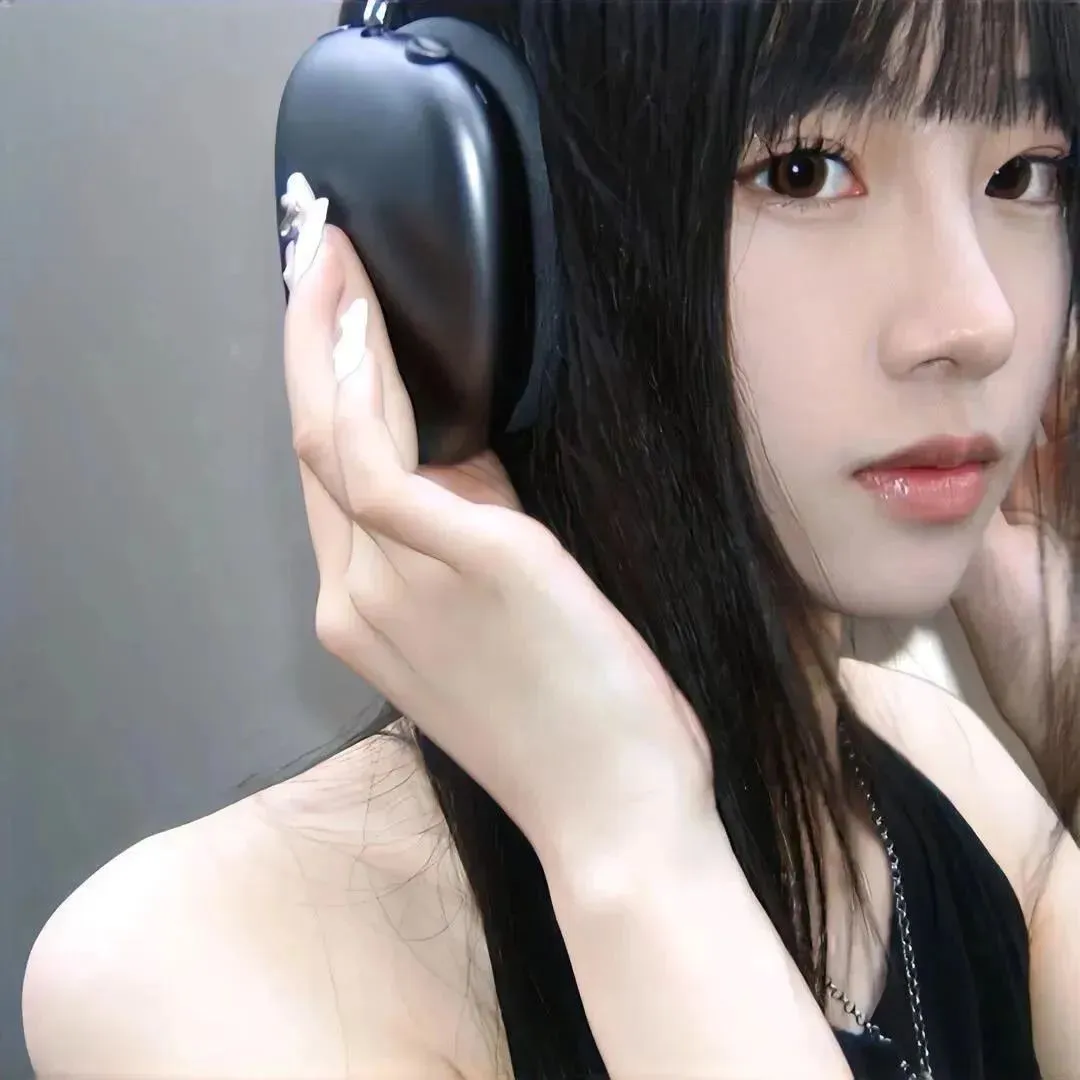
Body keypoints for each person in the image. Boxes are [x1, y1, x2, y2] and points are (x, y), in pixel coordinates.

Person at [20, 1, 1080, 1078]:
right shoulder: (193, 974)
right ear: (466, 234)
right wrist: (633, 852)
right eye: (804, 172)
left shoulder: (959, 780)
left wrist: (1068, 694)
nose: (980, 320)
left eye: (1023, 174)